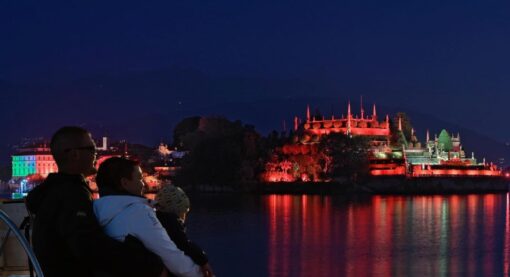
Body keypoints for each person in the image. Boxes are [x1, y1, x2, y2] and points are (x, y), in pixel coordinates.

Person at [26, 126, 164, 277]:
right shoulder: (72, 194)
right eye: (91, 148)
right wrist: (150, 265)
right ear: (74, 154)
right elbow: (89, 247)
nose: (96, 153)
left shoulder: (52, 192)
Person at [93, 157, 204, 277]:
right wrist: (200, 273)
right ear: (124, 183)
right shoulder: (137, 212)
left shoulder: (95, 209)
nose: (144, 184)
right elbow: (171, 256)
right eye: (140, 178)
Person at [155, 185, 215, 277]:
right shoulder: (171, 223)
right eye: (184, 212)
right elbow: (184, 243)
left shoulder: (155, 220)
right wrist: (203, 261)